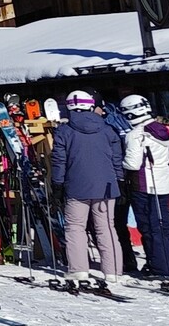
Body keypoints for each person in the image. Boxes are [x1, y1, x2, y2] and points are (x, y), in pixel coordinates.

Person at [52, 90, 126, 289]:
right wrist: (120, 180)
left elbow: (59, 160)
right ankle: (113, 271)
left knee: (75, 227)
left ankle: (79, 269)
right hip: (106, 186)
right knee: (106, 227)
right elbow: (116, 158)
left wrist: (57, 184)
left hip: (76, 185)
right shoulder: (108, 129)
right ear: (91, 106)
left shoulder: (64, 131)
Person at [120, 96, 169, 282]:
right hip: (163, 183)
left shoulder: (136, 134)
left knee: (149, 226)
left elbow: (133, 164)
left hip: (144, 185)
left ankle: (160, 267)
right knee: (164, 225)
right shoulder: (163, 130)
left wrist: (119, 163)